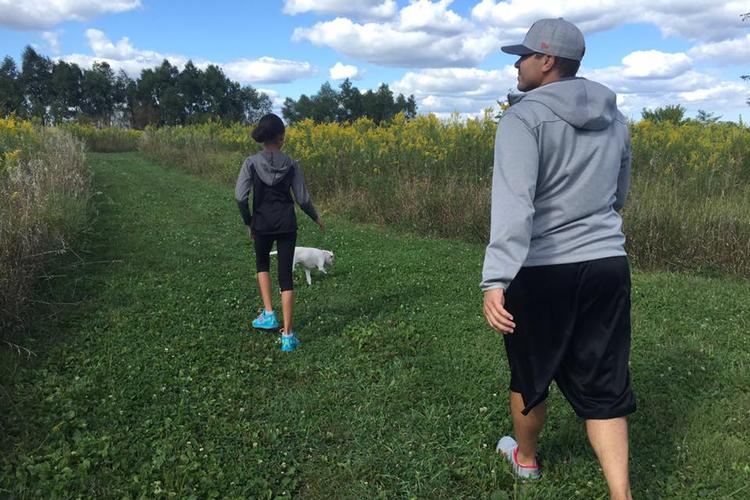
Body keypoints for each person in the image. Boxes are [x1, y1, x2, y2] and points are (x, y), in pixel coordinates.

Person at [481, 18, 635, 499]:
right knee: (605, 383)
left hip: (542, 268)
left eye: (523, 56)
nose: (517, 65)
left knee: (531, 372)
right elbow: (619, 194)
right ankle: (621, 494)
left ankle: (526, 461)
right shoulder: (616, 118)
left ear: (547, 60)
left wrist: (495, 279)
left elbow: (514, 205)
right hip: (608, 264)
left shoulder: (522, 119)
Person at [235, 113, 325, 352]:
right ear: (280, 137)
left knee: (262, 264)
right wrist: (316, 217)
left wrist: (249, 222)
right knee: (286, 277)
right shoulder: (292, 164)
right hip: (286, 224)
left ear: (263, 136)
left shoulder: (250, 163)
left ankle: (268, 314)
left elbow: (240, 197)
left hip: (262, 223)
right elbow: (302, 198)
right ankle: (288, 336)